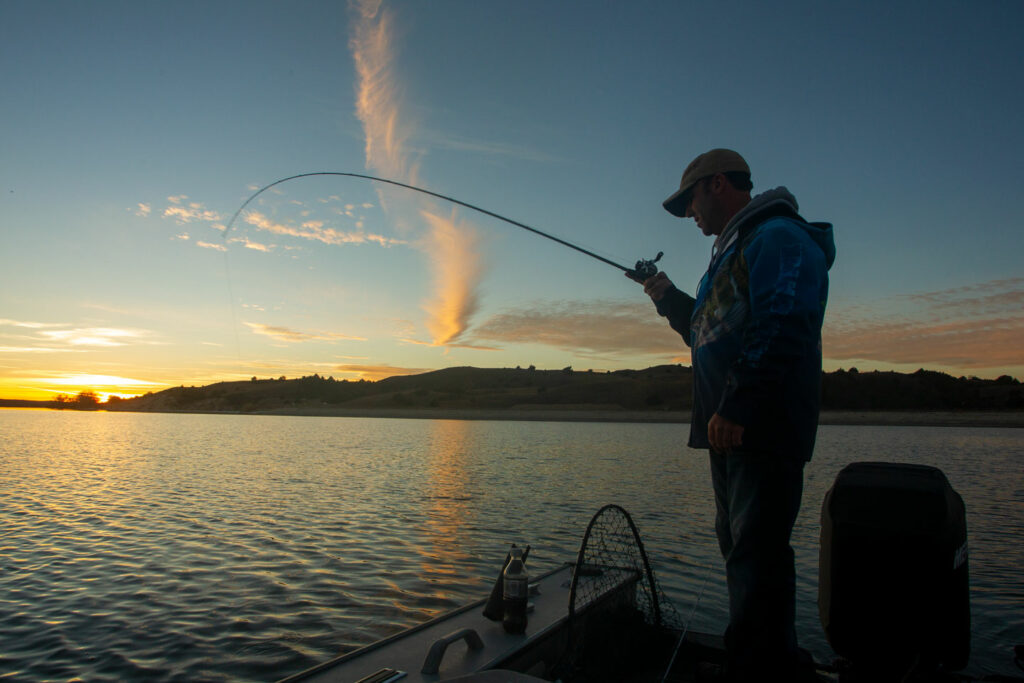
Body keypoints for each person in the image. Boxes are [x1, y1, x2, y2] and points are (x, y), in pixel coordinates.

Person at [641, 149, 835, 681]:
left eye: (690, 202)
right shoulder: (728, 254)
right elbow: (706, 332)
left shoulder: (778, 237)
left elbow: (786, 322)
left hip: (759, 428)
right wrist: (666, 296)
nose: (689, 216)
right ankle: (760, 659)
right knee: (741, 551)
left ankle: (761, 670)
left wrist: (739, 405)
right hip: (730, 431)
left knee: (756, 554)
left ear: (718, 185)